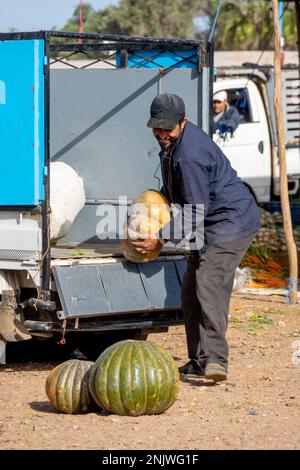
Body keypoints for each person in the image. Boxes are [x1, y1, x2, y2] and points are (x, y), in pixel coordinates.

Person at [131, 93, 260, 382]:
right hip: (210, 223)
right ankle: (199, 359)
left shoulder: (189, 154)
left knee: (209, 283)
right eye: (157, 128)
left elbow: (195, 210)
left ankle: (216, 360)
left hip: (231, 221)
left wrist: (161, 238)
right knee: (190, 291)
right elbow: (179, 194)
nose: (162, 134)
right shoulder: (174, 145)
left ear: (183, 122)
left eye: (167, 128)